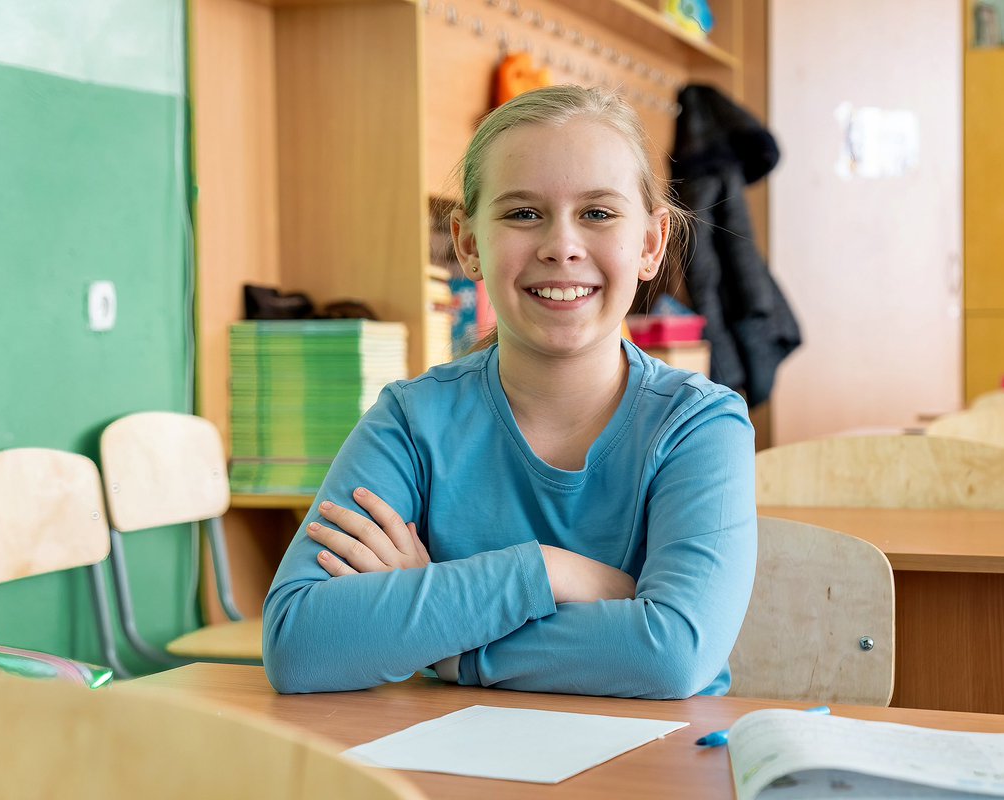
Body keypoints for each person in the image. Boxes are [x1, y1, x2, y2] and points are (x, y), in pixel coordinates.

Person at [262, 85, 758, 699]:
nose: (562, 245)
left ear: (651, 244)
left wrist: (439, 631)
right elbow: (299, 643)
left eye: (598, 213)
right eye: (523, 213)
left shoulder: (700, 425)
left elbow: (672, 656)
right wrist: (549, 572)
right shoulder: (412, 420)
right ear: (468, 244)